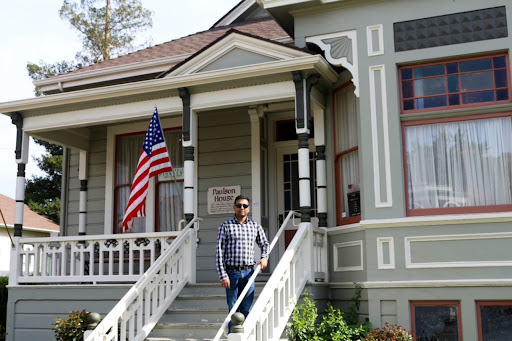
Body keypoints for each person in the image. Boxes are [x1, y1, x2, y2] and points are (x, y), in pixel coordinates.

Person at [216, 194, 269, 329]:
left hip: (249, 273)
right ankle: (232, 336)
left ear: (248, 208)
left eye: (245, 206)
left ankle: (246, 336)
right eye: (239, 205)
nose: (242, 208)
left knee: (247, 308)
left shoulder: (255, 226)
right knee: (233, 310)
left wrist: (264, 257)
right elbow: (219, 252)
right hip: (231, 273)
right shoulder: (225, 226)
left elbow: (264, 244)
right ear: (234, 208)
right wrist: (223, 275)